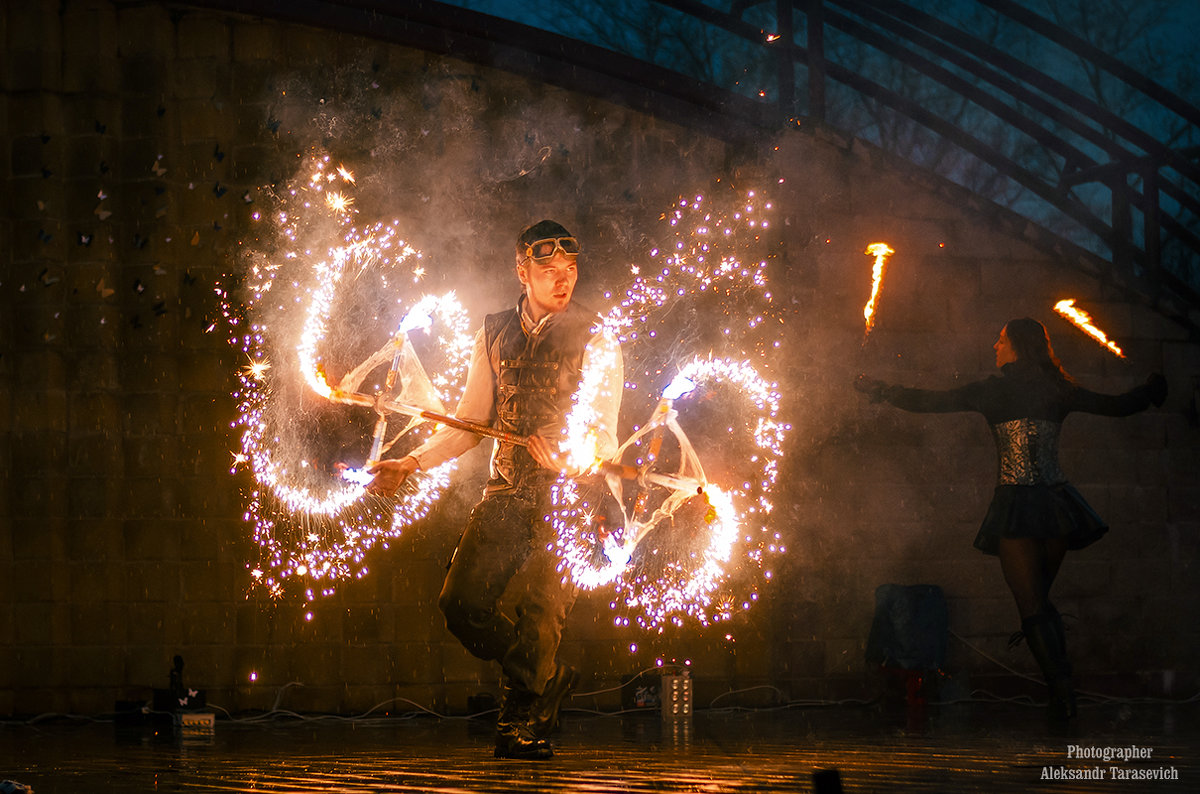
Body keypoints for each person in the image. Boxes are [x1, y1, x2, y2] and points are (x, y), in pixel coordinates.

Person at [366, 220, 622, 758]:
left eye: (570, 270)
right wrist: (412, 461)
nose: (562, 280)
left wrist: (575, 453)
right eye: (549, 270)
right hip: (505, 492)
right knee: (459, 604)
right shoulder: (494, 332)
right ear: (522, 271)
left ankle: (519, 723)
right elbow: (468, 421)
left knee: (540, 614)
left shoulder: (599, 336)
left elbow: (603, 432)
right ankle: (543, 678)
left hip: (568, 500)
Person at [855, 317, 1167, 720]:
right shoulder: (1060, 389)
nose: (994, 345)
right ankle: (1063, 692)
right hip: (1057, 509)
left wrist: (883, 391)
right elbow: (1116, 406)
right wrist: (1151, 392)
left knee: (1034, 607)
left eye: (1000, 339)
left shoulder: (993, 391)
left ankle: (1063, 695)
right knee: (1040, 603)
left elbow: (933, 401)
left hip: (1018, 509)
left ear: (1017, 345)